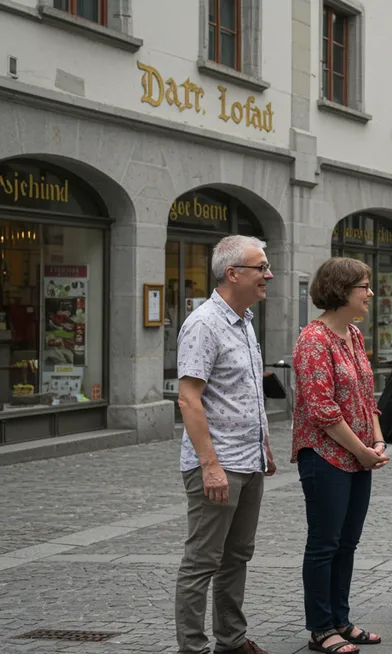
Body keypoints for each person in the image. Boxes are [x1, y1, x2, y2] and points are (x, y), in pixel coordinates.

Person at [174, 235, 275, 654]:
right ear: (233, 273)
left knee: (237, 557)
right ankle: (192, 648)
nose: (269, 275)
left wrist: (262, 445)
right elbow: (189, 398)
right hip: (219, 465)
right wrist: (210, 465)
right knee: (202, 561)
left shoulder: (245, 320)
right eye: (261, 268)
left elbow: (241, 393)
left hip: (247, 461)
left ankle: (231, 642)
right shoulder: (204, 323)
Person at [291, 258, 391, 654]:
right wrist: (362, 450)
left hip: (359, 456)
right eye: (363, 286)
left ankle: (341, 620)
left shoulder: (352, 333)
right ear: (341, 291)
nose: (369, 293)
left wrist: (377, 443)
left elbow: (367, 398)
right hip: (326, 456)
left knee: (347, 543)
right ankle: (320, 628)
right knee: (324, 544)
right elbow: (322, 410)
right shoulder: (313, 340)